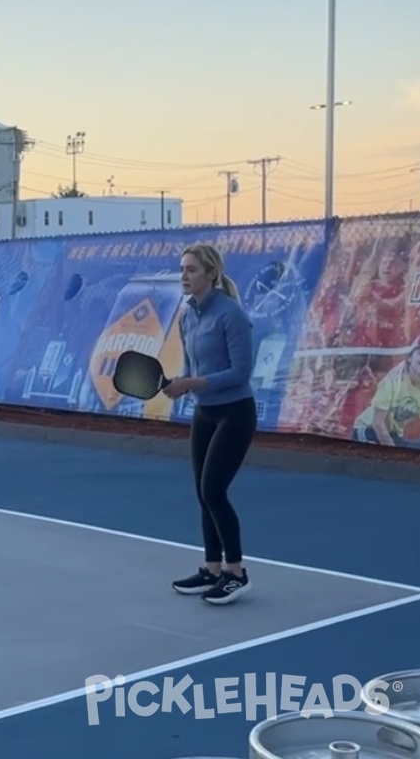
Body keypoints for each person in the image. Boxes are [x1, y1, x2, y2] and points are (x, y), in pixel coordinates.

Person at [163, 243, 256, 605]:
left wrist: (192, 384)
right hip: (204, 413)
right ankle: (211, 568)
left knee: (215, 490)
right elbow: (193, 369)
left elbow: (240, 372)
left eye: (191, 270)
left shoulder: (230, 314)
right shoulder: (188, 315)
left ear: (211, 274)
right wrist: (180, 383)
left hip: (235, 412)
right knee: (203, 494)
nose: (184, 276)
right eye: (182, 269)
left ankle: (236, 573)